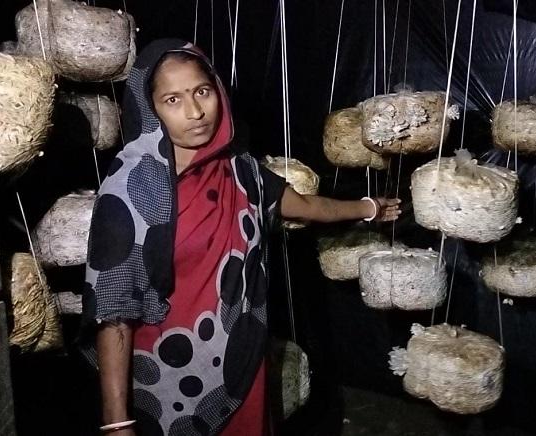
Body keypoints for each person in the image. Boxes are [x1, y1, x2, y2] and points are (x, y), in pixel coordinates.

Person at [82, 38, 401, 436]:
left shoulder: (240, 170)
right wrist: (116, 422)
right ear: (150, 109)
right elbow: (113, 312)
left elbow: (305, 206)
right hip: (169, 374)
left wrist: (368, 207)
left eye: (202, 91)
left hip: (242, 360)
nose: (196, 112)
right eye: (173, 100)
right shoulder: (130, 190)